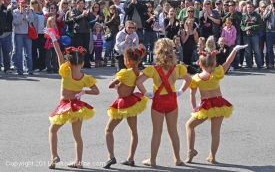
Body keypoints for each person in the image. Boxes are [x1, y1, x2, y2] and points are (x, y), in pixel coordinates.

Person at [44, 28, 99, 169]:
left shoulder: (66, 73)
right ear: (82, 63)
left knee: (52, 130)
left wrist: (54, 38)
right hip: (77, 107)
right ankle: (78, 161)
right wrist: (84, 92)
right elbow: (96, 91)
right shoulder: (85, 77)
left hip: (64, 105)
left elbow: (58, 54)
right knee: (77, 136)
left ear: (68, 62)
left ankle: (54, 156)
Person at [185, 44, 248, 164]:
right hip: (219, 104)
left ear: (200, 64)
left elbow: (192, 94)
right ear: (214, 64)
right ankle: (212, 156)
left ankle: (190, 151)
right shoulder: (217, 73)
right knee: (215, 132)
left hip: (205, 106)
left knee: (189, 126)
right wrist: (234, 50)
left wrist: (194, 108)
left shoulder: (196, 78)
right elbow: (228, 62)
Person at [136, 38, 192, 166]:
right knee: (173, 131)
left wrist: (146, 93)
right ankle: (177, 159)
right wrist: (180, 91)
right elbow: (188, 80)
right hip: (172, 100)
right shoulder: (178, 68)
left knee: (157, 131)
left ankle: (153, 160)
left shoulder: (152, 69)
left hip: (158, 101)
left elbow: (138, 82)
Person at [103, 46, 148, 169]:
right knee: (133, 131)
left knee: (108, 130)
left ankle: (110, 156)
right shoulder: (137, 72)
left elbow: (110, 85)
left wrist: (116, 82)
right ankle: (131, 158)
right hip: (131, 103)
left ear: (128, 60)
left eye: (124, 58)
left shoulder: (125, 72)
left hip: (122, 104)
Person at [12, 0, 34, 75]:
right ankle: (20, 70)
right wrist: (21, 14)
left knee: (28, 53)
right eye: (22, 3)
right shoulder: (15, 11)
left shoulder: (29, 11)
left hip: (27, 34)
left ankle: (29, 69)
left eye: (24, 3)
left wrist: (27, 14)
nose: (23, 5)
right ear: (19, 3)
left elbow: (31, 20)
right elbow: (16, 22)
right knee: (19, 53)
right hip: (18, 34)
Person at [71, 0, 94, 68]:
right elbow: (74, 19)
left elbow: (91, 19)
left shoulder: (86, 10)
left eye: (82, 3)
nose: (81, 5)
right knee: (78, 48)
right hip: (77, 31)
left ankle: (86, 63)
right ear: (77, 4)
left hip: (86, 31)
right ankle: (78, 62)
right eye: (79, 3)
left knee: (86, 47)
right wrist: (82, 15)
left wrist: (87, 15)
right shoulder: (74, 10)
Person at [241, 3, 263, 69]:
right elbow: (241, 25)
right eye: (248, 7)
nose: (249, 8)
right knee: (247, 51)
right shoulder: (244, 16)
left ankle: (259, 65)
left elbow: (260, 25)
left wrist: (251, 27)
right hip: (246, 35)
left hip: (255, 35)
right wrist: (245, 29)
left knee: (256, 50)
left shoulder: (257, 15)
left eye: (250, 7)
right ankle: (249, 65)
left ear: (253, 8)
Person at [222, 1, 242, 70]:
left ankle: (236, 65)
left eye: (231, 5)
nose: (230, 7)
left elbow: (239, 21)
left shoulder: (238, 13)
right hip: (228, 35)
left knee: (237, 50)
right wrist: (229, 14)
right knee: (229, 51)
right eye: (229, 5)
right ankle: (230, 65)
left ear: (235, 6)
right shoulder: (226, 13)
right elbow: (223, 21)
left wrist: (234, 13)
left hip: (237, 34)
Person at [30, 0, 47, 72]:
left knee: (42, 50)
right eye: (32, 3)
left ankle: (42, 66)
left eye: (35, 2)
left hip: (42, 33)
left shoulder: (41, 12)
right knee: (34, 50)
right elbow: (29, 20)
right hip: (34, 33)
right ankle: (35, 66)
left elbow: (44, 22)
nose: (34, 4)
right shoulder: (31, 11)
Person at [0, 0, 13, 74]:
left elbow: (10, 20)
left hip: (6, 33)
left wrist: (8, 11)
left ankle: (7, 68)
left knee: (6, 52)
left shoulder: (6, 8)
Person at [263, 0, 275, 69]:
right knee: (269, 48)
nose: (272, 0)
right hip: (269, 31)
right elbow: (264, 18)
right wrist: (270, 11)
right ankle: (271, 63)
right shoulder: (268, 7)